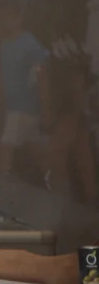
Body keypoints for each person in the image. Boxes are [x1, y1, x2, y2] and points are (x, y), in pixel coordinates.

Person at [43, 36, 98, 204]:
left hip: (73, 112)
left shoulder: (74, 71)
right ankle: (89, 196)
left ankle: (63, 193)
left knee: (57, 150)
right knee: (82, 154)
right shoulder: (75, 66)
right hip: (75, 112)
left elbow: (78, 90)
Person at [0, 3, 48, 174]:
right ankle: (54, 180)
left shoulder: (30, 43)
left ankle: (2, 184)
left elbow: (42, 74)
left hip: (24, 107)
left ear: (20, 18)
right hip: (13, 106)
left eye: (11, 16)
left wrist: (45, 104)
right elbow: (4, 76)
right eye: (4, 16)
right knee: (36, 149)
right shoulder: (4, 45)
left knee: (6, 147)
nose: (6, 20)